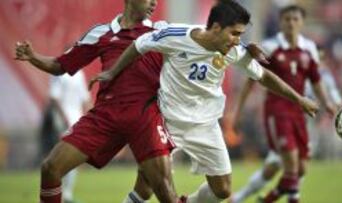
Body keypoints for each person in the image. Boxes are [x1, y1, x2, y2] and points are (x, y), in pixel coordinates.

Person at [89, 1, 319, 203]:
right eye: (234, 33)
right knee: (147, 188)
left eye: (240, 35)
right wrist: (112, 72)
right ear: (216, 28)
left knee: (223, 190)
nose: (238, 40)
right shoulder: (175, 36)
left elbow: (263, 76)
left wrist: (299, 99)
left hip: (206, 125)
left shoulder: (233, 50)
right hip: (167, 121)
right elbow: (139, 45)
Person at [14, 0, 181, 203]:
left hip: (146, 118)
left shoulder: (161, 30)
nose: (154, 3)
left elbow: (197, 37)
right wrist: (33, 57)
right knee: (51, 168)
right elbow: (60, 65)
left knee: (165, 193)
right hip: (106, 116)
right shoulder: (101, 33)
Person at [229, 5, 337, 203]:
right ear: (280, 22)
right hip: (276, 111)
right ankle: (290, 199)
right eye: (287, 19)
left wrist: (327, 103)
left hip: (300, 111)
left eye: (295, 19)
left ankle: (266, 199)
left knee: (299, 168)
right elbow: (251, 80)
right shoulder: (269, 47)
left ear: (302, 22)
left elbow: (316, 80)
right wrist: (239, 111)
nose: (291, 23)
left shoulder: (309, 48)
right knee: (292, 166)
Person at [49, 71, 92, 203]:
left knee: (71, 159)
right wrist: (64, 118)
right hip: (64, 121)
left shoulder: (79, 73)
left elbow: (85, 98)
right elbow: (54, 97)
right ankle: (61, 194)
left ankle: (66, 194)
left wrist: (91, 117)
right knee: (65, 158)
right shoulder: (59, 72)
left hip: (76, 120)